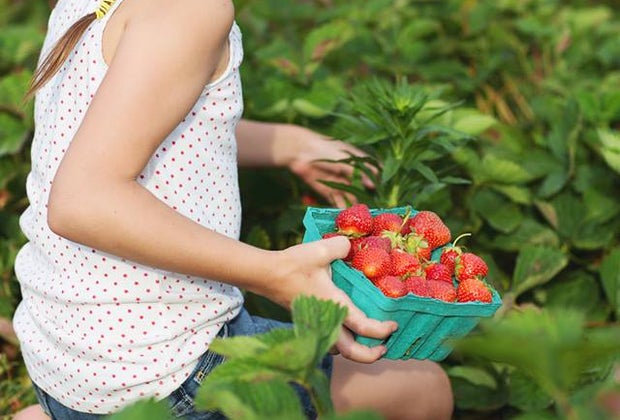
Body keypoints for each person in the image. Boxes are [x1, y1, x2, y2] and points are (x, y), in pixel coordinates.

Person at [12, 0, 454, 419]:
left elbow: (146, 118)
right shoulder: (192, 9)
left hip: (63, 364)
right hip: (169, 378)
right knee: (423, 390)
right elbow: (83, 202)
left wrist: (289, 144)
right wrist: (273, 273)